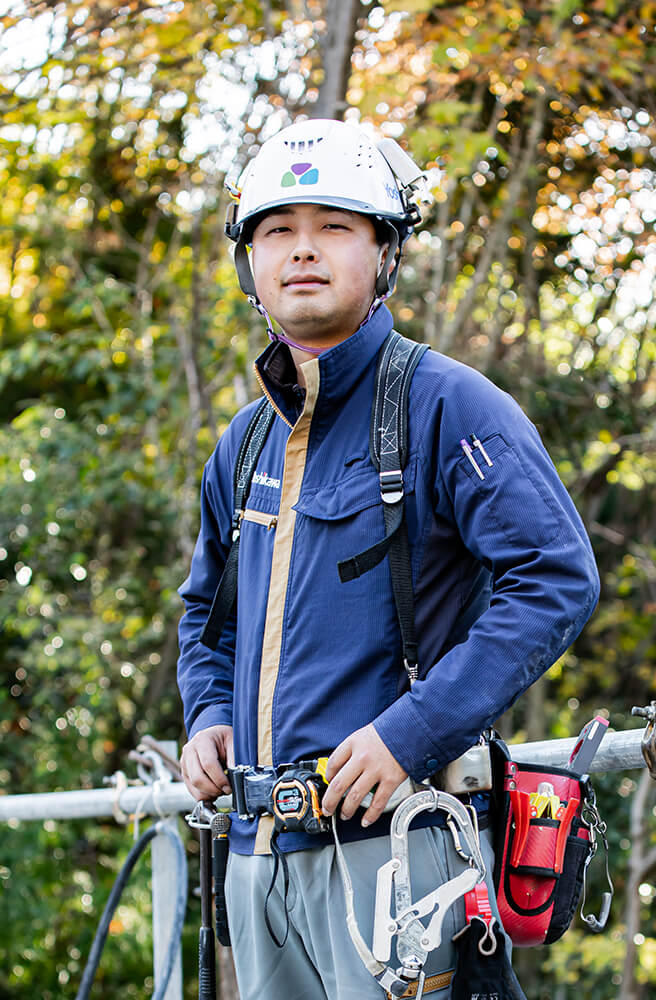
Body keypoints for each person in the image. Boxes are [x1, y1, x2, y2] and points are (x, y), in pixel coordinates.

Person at [177, 118, 600, 999]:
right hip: (255, 866)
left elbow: (555, 579)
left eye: (335, 226)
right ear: (249, 264)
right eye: (276, 231)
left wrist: (410, 734)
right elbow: (204, 615)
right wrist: (207, 711)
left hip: (400, 852)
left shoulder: (450, 405)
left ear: (385, 253)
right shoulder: (244, 445)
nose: (303, 251)